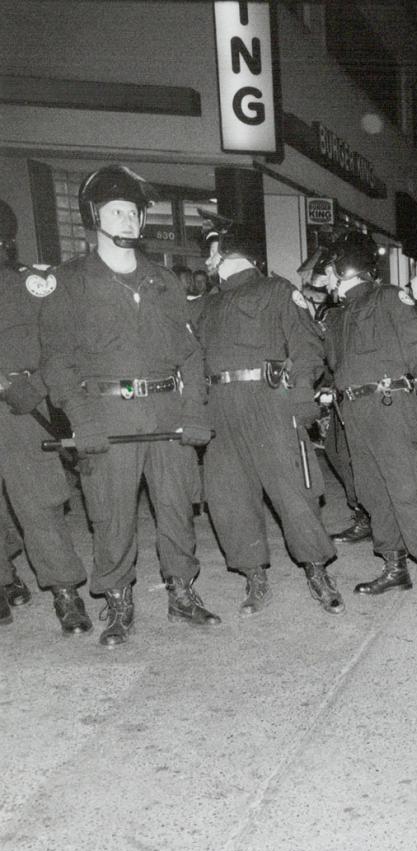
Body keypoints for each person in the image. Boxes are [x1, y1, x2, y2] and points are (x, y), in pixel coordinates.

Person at [38, 166, 217, 648]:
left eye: (135, 211)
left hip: (166, 412)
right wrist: (82, 418)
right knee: (111, 515)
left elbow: (190, 353)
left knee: (176, 507)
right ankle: (118, 600)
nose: (129, 219)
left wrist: (195, 409)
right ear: (94, 216)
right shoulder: (69, 281)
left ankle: (182, 592)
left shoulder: (164, 281)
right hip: (106, 414)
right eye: (117, 210)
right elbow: (57, 361)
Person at [192, 224, 342, 616]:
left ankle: (316, 570)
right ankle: (254, 576)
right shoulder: (205, 305)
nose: (207, 261)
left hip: (270, 403)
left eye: (212, 251)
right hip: (220, 408)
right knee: (229, 498)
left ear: (229, 251)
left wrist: (301, 395)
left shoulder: (277, 291)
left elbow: (308, 346)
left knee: (294, 494)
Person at [321, 231, 417, 615]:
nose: (326, 280)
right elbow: (337, 366)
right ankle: (395, 567)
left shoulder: (389, 298)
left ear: (346, 269)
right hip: (354, 414)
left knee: (406, 492)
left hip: (390, 407)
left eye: (330, 271)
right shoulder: (336, 316)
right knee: (373, 494)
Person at [0, 199, 91, 634]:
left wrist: (34, 387)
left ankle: (65, 593)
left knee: (38, 504)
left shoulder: (34, 284)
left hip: (20, 412)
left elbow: (67, 346)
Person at [300, 246, 370, 544]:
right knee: (337, 452)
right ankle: (364, 512)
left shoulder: (342, 313)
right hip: (338, 394)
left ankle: (371, 515)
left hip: (358, 395)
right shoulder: (328, 314)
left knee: (352, 457)